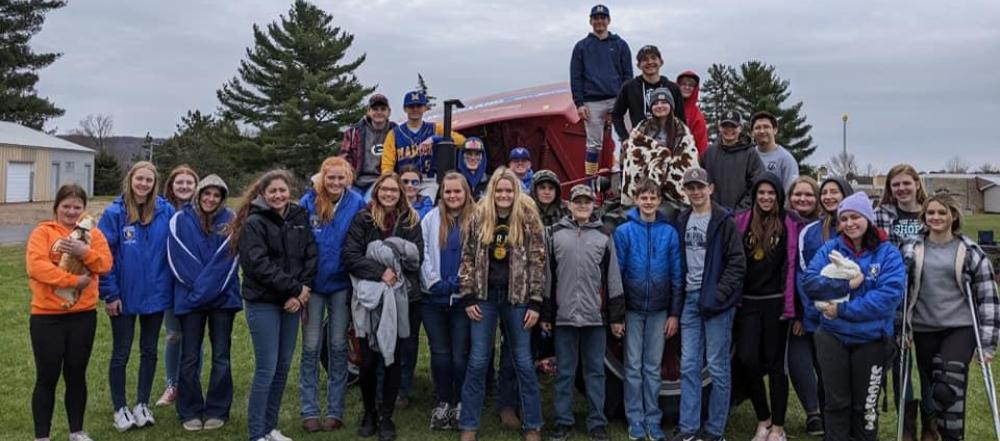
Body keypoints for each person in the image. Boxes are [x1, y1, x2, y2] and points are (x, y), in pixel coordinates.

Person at [803, 191, 905, 441]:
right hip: (832, 336)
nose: (849, 223)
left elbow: (888, 297)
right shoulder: (831, 249)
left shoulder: (887, 253)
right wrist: (845, 287)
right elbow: (810, 283)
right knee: (835, 402)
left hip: (872, 339)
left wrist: (842, 310)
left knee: (865, 407)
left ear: (868, 219)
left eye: (855, 217)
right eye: (844, 218)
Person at [900, 194, 999, 441]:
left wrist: (987, 343)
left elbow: (988, 298)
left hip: (960, 328)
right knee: (938, 393)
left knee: (946, 388)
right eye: (930, 212)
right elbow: (901, 292)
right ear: (924, 216)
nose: (935, 217)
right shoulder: (911, 248)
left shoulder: (971, 252)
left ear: (953, 216)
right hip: (924, 328)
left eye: (942, 212)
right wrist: (902, 329)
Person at [457, 167, 546, 441]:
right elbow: (468, 257)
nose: (504, 195)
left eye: (509, 190)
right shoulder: (479, 217)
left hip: (517, 299)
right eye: (500, 190)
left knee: (523, 360)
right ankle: (469, 425)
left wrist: (535, 301)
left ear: (516, 192)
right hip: (484, 298)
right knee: (478, 360)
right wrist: (469, 294)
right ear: (493, 191)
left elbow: (537, 262)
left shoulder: (528, 218)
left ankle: (532, 424)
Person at [230, 169, 317, 441]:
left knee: (282, 368)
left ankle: (270, 428)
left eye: (282, 190)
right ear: (263, 195)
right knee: (266, 368)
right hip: (264, 302)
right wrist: (294, 288)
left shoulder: (299, 216)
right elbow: (258, 265)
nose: (278, 195)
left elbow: (310, 255)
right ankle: (256, 433)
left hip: (293, 302)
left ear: (289, 191)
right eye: (273, 192)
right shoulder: (254, 223)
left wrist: (302, 292)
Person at [27, 184, 113, 441]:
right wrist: (73, 281)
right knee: (47, 376)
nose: (71, 211)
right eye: (66, 206)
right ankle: (42, 435)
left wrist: (83, 251)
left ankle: (76, 430)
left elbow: (105, 263)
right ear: (57, 208)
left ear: (84, 209)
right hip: (46, 316)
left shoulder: (93, 234)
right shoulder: (43, 232)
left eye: (77, 207)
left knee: (76, 374)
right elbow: (37, 267)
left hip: (82, 316)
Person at [343, 173, 423, 441]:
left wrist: (397, 276)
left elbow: (416, 256)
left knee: (393, 359)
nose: (389, 194)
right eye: (384, 190)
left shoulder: (410, 221)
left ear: (401, 194)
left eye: (394, 190)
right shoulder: (363, 219)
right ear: (376, 192)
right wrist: (381, 271)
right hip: (368, 300)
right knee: (367, 360)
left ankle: (386, 415)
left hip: (400, 300)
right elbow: (351, 255)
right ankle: (368, 412)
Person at [97, 161, 176, 432]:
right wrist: (110, 294)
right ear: (130, 180)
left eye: (149, 180)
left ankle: (142, 403)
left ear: (155, 184)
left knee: (149, 350)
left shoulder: (166, 211)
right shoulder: (114, 213)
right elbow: (103, 257)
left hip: (155, 295)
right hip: (124, 296)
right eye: (139, 179)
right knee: (121, 352)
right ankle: (120, 408)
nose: (143, 184)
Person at [543, 184, 624, 441]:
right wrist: (546, 314)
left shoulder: (604, 235)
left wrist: (616, 317)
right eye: (577, 201)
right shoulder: (555, 234)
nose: (582, 206)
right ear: (569, 204)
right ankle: (563, 421)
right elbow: (548, 277)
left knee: (595, 372)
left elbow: (613, 279)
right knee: (565, 371)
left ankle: (597, 422)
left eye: (587, 202)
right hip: (565, 315)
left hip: (594, 317)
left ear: (593, 205)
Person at [672, 168, 746, 441]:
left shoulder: (724, 220)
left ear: (710, 188)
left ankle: (715, 429)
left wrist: (719, 294)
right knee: (689, 365)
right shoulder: (682, 219)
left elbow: (737, 263)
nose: (696, 192)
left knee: (717, 366)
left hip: (716, 303)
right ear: (685, 191)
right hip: (690, 299)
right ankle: (689, 427)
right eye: (690, 187)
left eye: (700, 187)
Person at [166, 174, 241, 432]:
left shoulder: (231, 220)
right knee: (189, 357)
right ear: (198, 194)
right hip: (190, 300)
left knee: (221, 355)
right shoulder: (179, 219)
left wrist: (206, 291)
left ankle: (218, 409)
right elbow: (179, 259)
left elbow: (228, 259)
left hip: (223, 299)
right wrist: (199, 293)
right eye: (206, 194)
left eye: (216, 195)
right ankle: (189, 410)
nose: (210, 199)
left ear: (222, 198)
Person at [297, 157, 367, 432]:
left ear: (348, 178)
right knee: (311, 347)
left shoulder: (357, 203)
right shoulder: (308, 203)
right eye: (331, 178)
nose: (336, 183)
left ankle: (335, 410)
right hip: (313, 286)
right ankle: (309, 410)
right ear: (322, 178)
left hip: (341, 285)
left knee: (338, 347)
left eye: (340, 178)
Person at [733, 172, 801, 441]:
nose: (766, 197)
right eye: (761, 193)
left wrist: (794, 307)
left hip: (775, 303)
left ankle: (779, 428)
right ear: (755, 196)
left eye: (771, 193)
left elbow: (793, 263)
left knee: (775, 366)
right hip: (748, 302)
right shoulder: (742, 222)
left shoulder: (788, 223)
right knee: (747, 359)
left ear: (778, 196)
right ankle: (764, 418)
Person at [613, 178, 682, 441]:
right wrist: (617, 315)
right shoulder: (624, 232)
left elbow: (677, 275)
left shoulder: (669, 233)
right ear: (636, 199)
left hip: (659, 310)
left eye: (653, 197)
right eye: (644, 197)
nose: (649, 201)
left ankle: (653, 420)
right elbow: (616, 276)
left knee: (652, 367)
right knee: (632, 367)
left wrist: (674, 313)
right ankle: (635, 420)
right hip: (632, 309)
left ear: (659, 201)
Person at [796, 176, 856, 436]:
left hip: (855, 319)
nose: (829, 197)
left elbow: (863, 277)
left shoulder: (859, 230)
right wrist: (818, 309)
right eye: (826, 192)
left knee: (853, 379)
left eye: (836, 192)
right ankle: (830, 429)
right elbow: (805, 277)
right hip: (821, 319)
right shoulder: (810, 232)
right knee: (827, 379)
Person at [419, 172, 476, 430]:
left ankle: (461, 402)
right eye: (448, 191)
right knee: (440, 353)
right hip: (434, 299)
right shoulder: (430, 219)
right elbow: (423, 255)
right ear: (441, 193)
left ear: (466, 193)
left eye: (457, 191)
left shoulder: (476, 219)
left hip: (463, 300)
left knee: (460, 355)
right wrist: (435, 283)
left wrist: (459, 283)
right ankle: (443, 402)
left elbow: (478, 257)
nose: (453, 196)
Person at [875, 163, 926, 438]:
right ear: (890, 189)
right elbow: (883, 252)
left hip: (928, 298)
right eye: (896, 185)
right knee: (900, 364)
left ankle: (930, 422)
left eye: (906, 183)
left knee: (927, 366)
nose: (902, 189)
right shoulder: (883, 213)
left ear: (917, 183)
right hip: (897, 297)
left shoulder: (931, 210)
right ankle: (906, 428)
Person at [570, 4, 633, 177]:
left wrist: (628, 99)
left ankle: (625, 178)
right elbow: (576, 76)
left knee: (626, 140)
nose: (599, 21)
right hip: (592, 101)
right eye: (596, 18)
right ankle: (591, 183)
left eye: (603, 18)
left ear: (608, 21)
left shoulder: (620, 45)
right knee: (593, 145)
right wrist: (579, 103)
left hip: (617, 98)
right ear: (591, 21)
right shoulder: (581, 47)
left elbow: (628, 75)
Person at [783, 176, 825, 436]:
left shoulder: (826, 226)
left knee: (825, 360)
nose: (803, 199)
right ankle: (813, 412)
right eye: (798, 194)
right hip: (796, 306)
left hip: (825, 306)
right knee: (798, 357)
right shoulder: (785, 225)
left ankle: (829, 407)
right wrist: (797, 313)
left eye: (809, 195)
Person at [156, 165, 199, 408]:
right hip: (170, 284)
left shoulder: (203, 210)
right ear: (171, 186)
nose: (184, 187)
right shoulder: (162, 211)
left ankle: (191, 384)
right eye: (179, 182)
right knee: (173, 335)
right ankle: (172, 385)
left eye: (189, 183)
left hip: (195, 285)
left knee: (194, 338)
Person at [619, 87, 699, 205]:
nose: (660, 106)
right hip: (644, 187)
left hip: (673, 189)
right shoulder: (641, 129)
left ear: (671, 105)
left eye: (664, 102)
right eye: (656, 103)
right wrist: (657, 160)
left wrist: (666, 164)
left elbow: (688, 158)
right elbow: (633, 157)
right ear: (651, 107)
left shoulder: (681, 131)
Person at [380, 90, 465, 182]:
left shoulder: (435, 128)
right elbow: (387, 166)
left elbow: (462, 142)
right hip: (404, 181)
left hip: (429, 180)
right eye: (411, 106)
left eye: (419, 106)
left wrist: (435, 138)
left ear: (425, 108)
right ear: (405, 109)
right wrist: (389, 181)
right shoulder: (394, 133)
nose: (415, 109)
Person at [611, 45, 686, 145]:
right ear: (638, 65)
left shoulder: (673, 88)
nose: (650, 62)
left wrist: (680, 141)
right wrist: (624, 137)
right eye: (645, 59)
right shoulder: (629, 87)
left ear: (661, 62)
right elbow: (616, 115)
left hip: (668, 143)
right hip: (639, 142)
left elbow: (681, 118)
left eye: (654, 58)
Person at [703, 109, 763, 210]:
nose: (729, 130)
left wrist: (740, 210)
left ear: (741, 128)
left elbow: (757, 185)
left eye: (733, 126)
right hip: (713, 214)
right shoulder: (709, 153)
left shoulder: (751, 154)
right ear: (719, 127)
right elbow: (703, 183)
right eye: (725, 126)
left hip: (742, 216)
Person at [342, 94, 397, 196]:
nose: (379, 112)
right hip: (356, 182)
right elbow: (344, 159)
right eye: (375, 109)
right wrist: (347, 179)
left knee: (368, 205)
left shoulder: (397, 132)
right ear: (368, 111)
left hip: (382, 182)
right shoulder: (354, 132)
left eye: (383, 109)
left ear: (389, 112)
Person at [751, 111, 799, 191]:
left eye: (766, 127)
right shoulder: (748, 156)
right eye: (757, 128)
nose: (762, 131)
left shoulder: (786, 159)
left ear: (775, 130)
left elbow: (790, 192)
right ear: (752, 132)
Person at [676, 70, 707, 156]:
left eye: (691, 85)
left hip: (687, 159)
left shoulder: (697, 115)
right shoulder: (668, 108)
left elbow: (701, 143)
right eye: (684, 84)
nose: (687, 87)